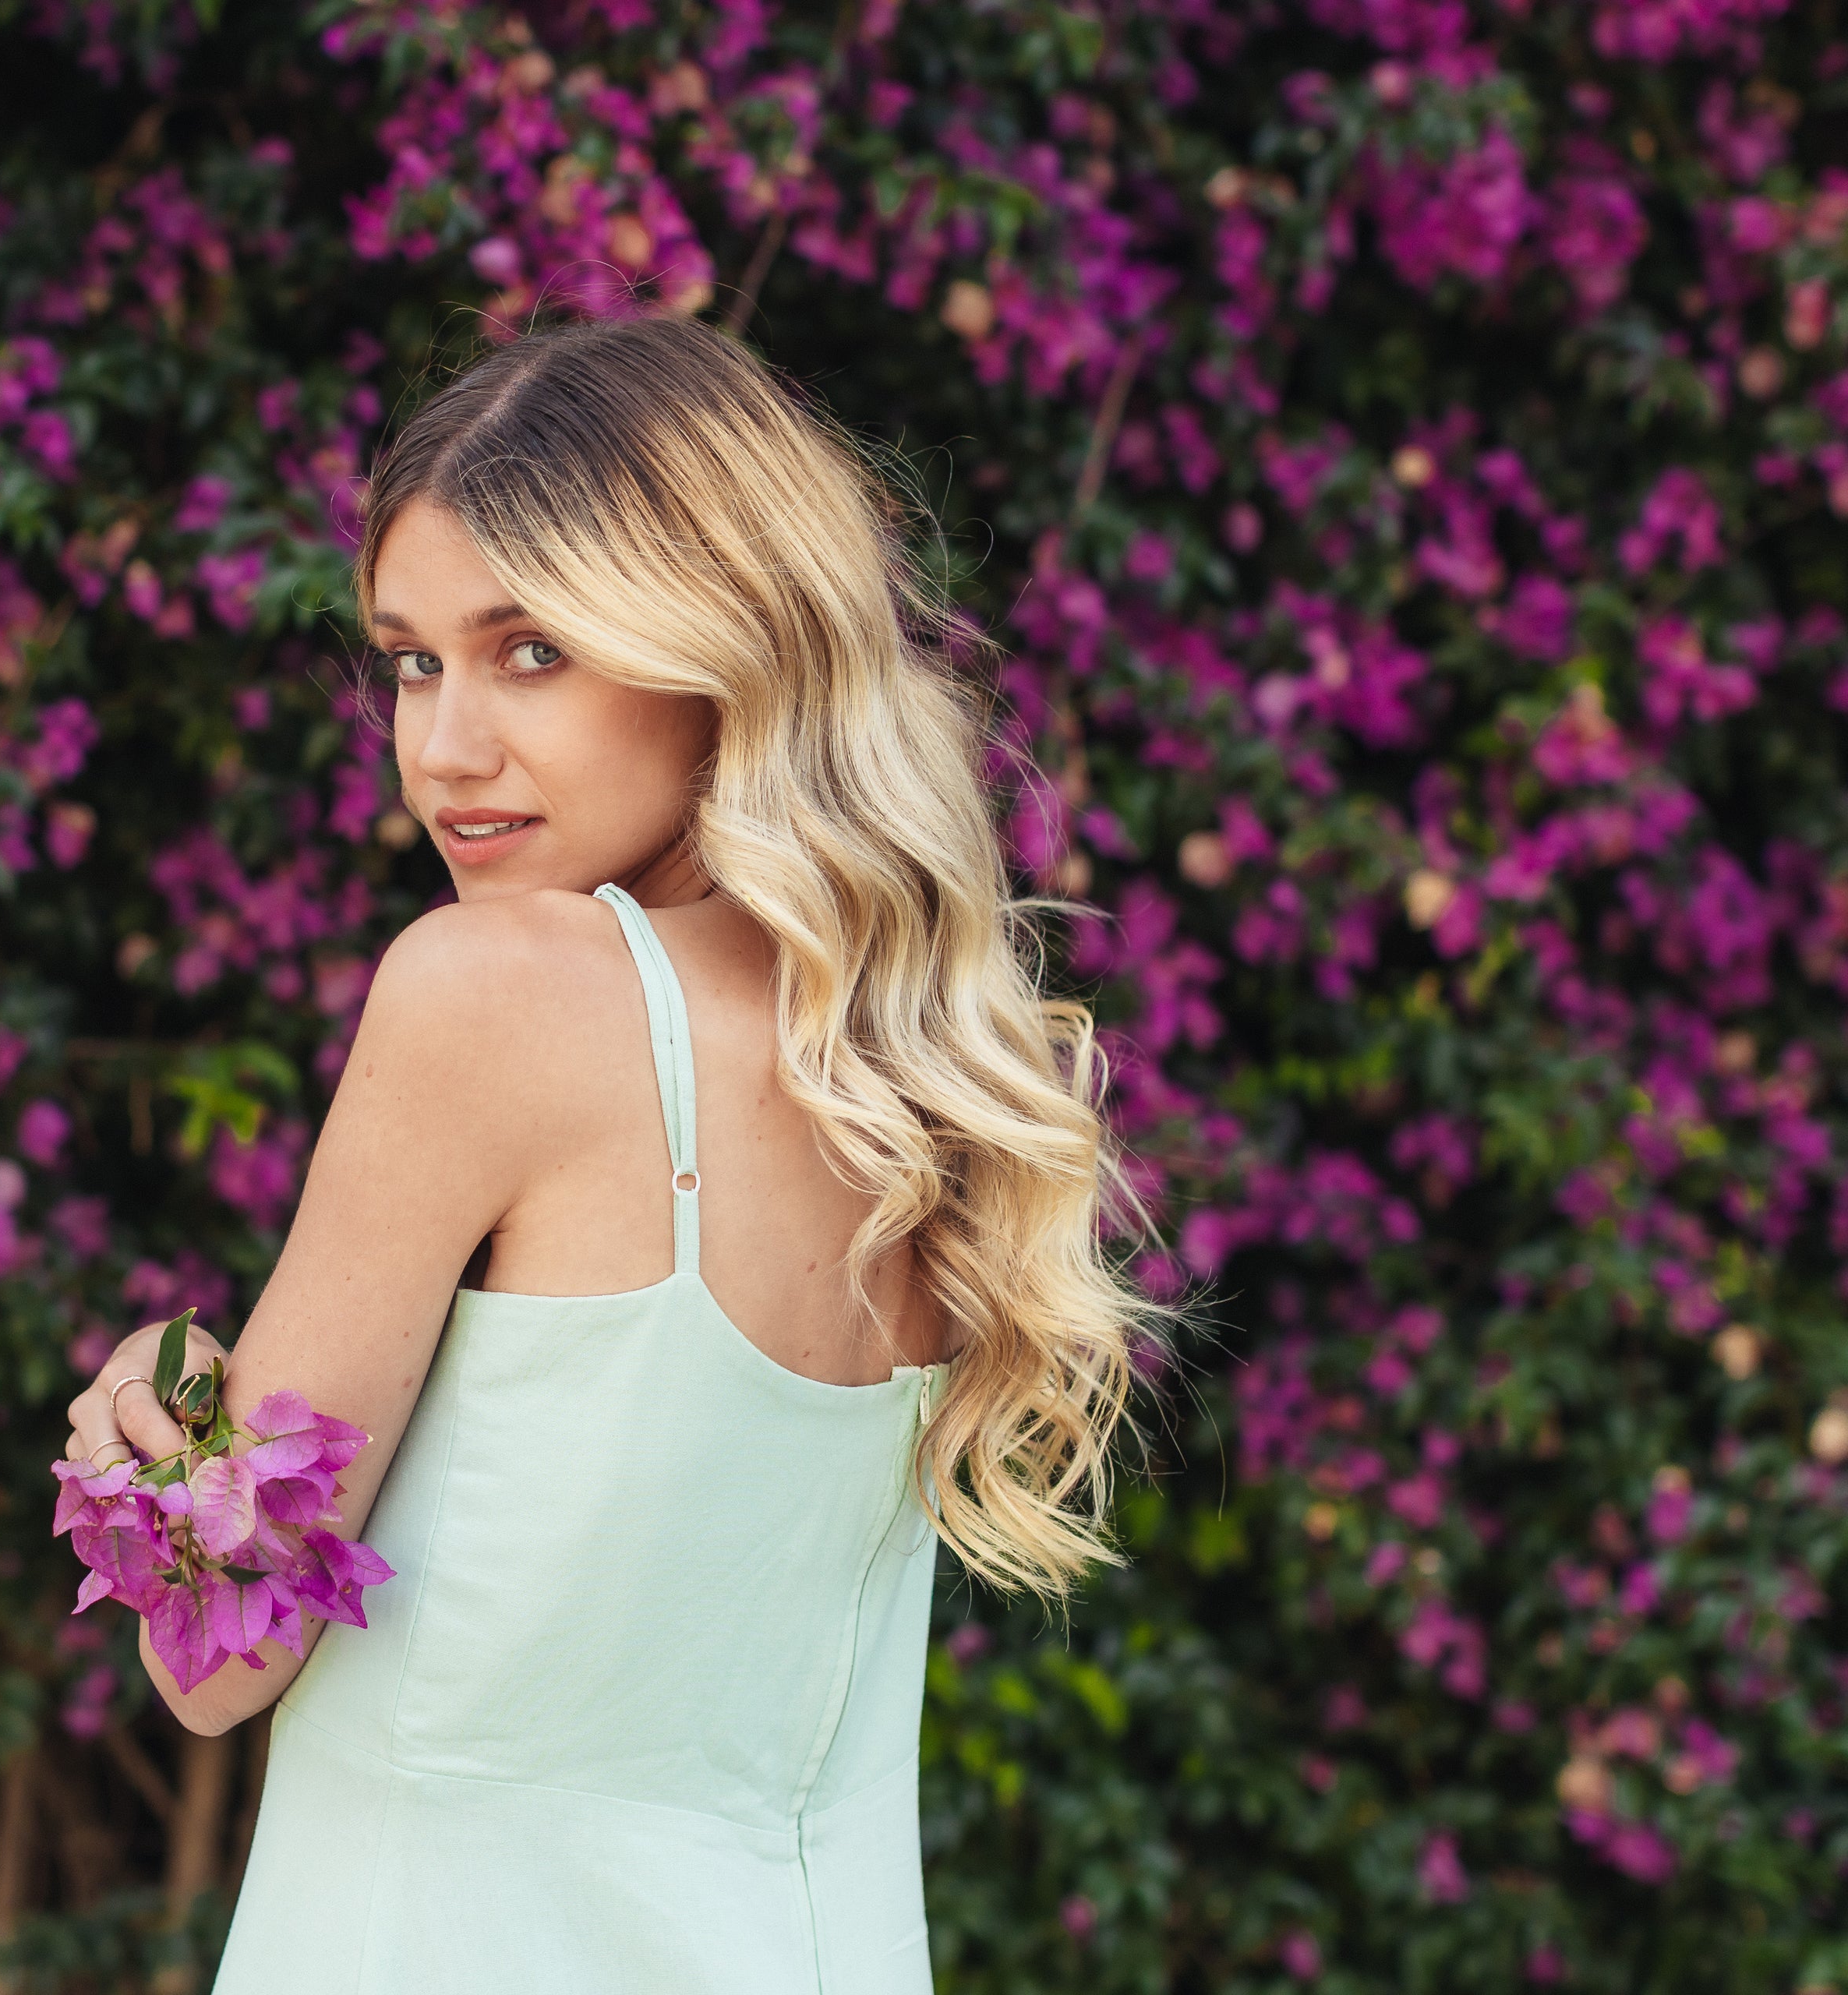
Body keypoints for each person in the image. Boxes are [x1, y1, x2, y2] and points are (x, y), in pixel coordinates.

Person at [61, 314, 1151, 1991]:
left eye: (533, 651)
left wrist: (166, 1408)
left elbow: (217, 1650)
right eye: (413, 661)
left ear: (724, 643)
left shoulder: (497, 990)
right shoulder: (919, 1072)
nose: (445, 747)